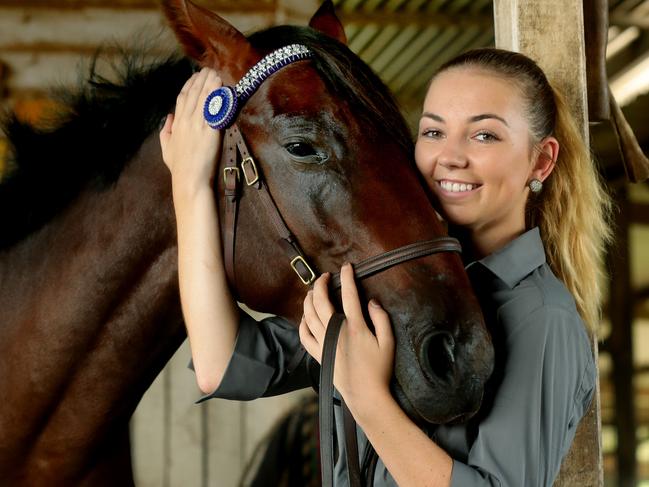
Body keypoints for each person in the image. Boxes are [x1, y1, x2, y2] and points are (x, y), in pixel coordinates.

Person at [159, 47, 612, 486]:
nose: (449, 157)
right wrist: (190, 185)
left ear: (542, 160)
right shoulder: (396, 282)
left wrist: (365, 396)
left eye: (484, 135)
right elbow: (222, 362)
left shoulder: (542, 318)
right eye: (433, 132)